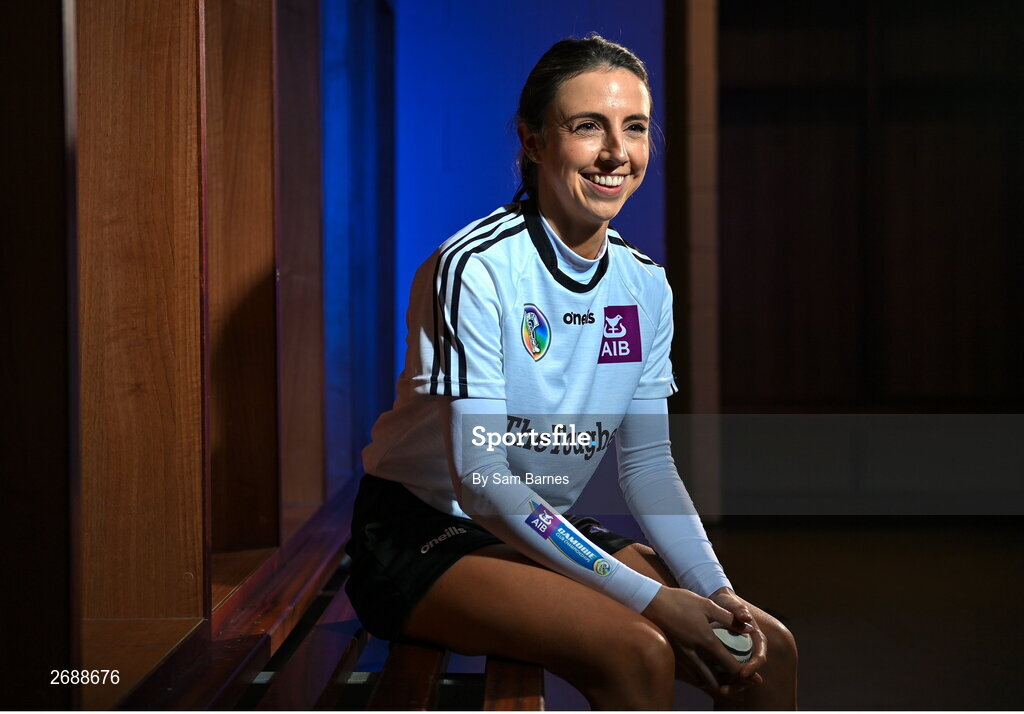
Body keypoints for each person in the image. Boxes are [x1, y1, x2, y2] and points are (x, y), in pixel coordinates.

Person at [346, 35, 797, 710]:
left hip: (536, 521)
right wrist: (653, 599)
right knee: (636, 649)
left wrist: (713, 587)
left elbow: (647, 466)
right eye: (588, 126)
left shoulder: (646, 286)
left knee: (764, 646)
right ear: (532, 141)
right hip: (422, 535)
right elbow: (485, 483)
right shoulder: (475, 268)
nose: (617, 153)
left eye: (635, 128)